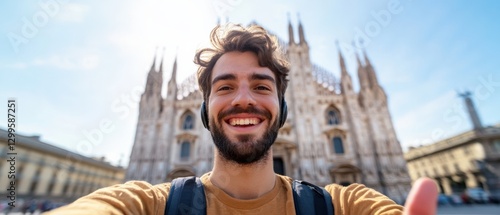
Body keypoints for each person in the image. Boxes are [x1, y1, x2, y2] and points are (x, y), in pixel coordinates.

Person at [45, 24, 438, 215]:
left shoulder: (343, 204)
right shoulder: (147, 203)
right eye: (226, 86)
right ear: (203, 108)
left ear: (284, 108)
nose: (244, 99)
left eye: (263, 87)